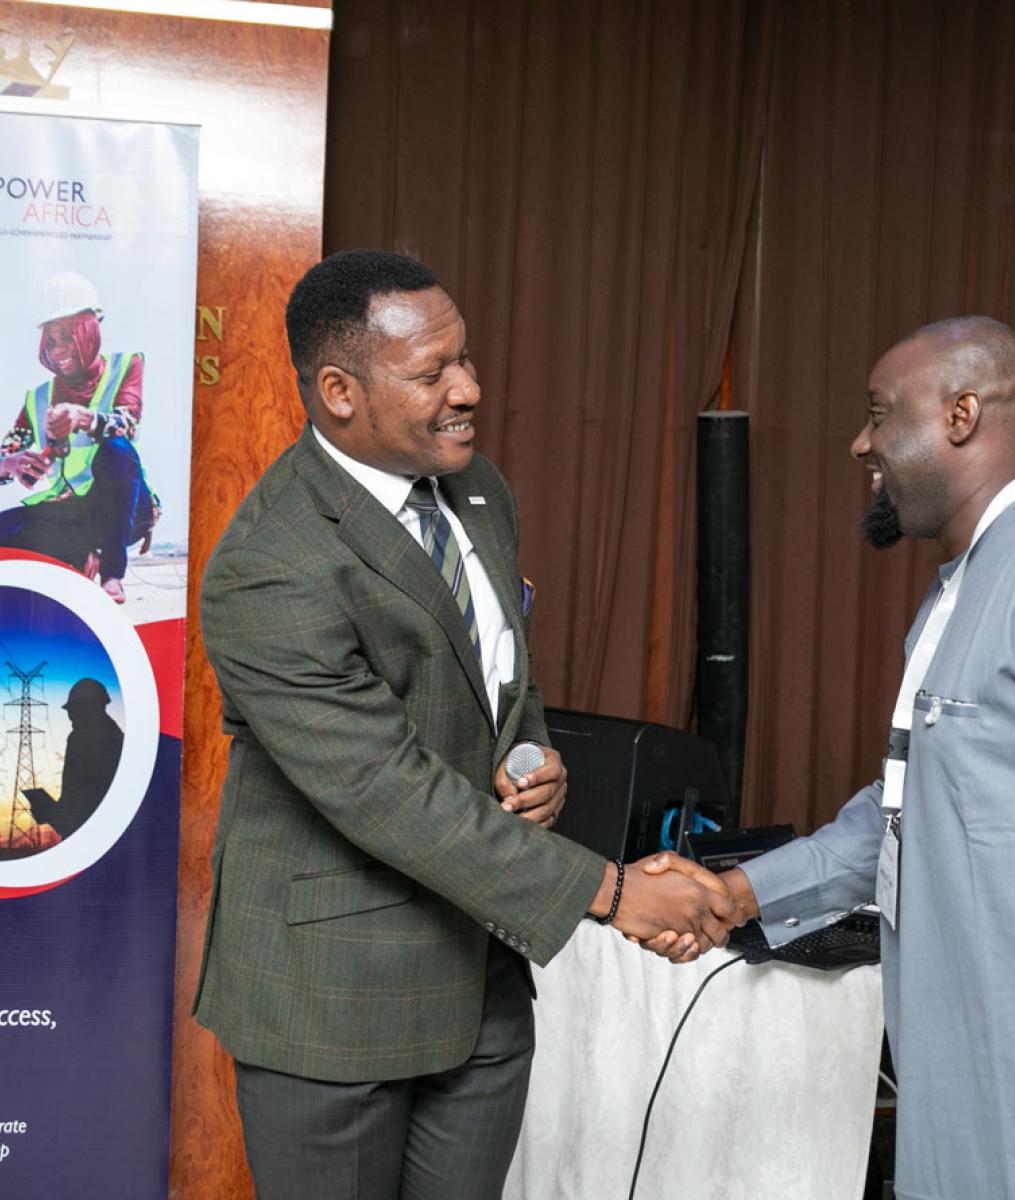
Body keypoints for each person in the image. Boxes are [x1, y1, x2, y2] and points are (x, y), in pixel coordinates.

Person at [192, 249, 735, 1200]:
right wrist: (609, 893)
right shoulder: (270, 565)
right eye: (432, 372)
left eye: (467, 359)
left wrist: (534, 763)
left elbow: (496, 680)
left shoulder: (477, 489)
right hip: (335, 1001)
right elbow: (383, 791)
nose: (469, 388)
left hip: (480, 980)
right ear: (339, 392)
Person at [650, 316, 1015, 1199]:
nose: (862, 442)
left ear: (960, 415)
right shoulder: (967, 583)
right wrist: (743, 892)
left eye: (879, 414)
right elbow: (916, 804)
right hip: (958, 1091)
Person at [0, 272, 157, 604]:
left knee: (115, 449)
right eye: (51, 341)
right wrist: (11, 464)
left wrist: (82, 418)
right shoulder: (37, 397)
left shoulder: (126, 366)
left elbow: (126, 425)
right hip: (71, 516)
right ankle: (76, 555)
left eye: (67, 337)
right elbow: (6, 453)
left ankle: (111, 575)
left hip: (125, 512)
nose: (58, 351)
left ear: (90, 331)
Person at [50, 677, 123, 839]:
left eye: (74, 711)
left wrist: (55, 814)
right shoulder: (80, 739)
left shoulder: (106, 742)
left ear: (90, 709)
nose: (71, 718)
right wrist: (50, 812)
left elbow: (86, 804)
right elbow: (71, 802)